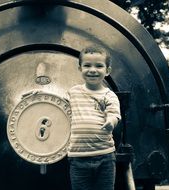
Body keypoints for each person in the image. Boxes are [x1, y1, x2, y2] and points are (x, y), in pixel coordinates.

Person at [67, 45, 121, 190]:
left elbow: (114, 113)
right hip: (77, 156)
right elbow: (57, 104)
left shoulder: (109, 95)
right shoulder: (73, 92)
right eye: (87, 65)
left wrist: (111, 121)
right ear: (80, 68)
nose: (92, 70)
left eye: (99, 66)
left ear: (107, 71)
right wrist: (36, 93)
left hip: (105, 156)